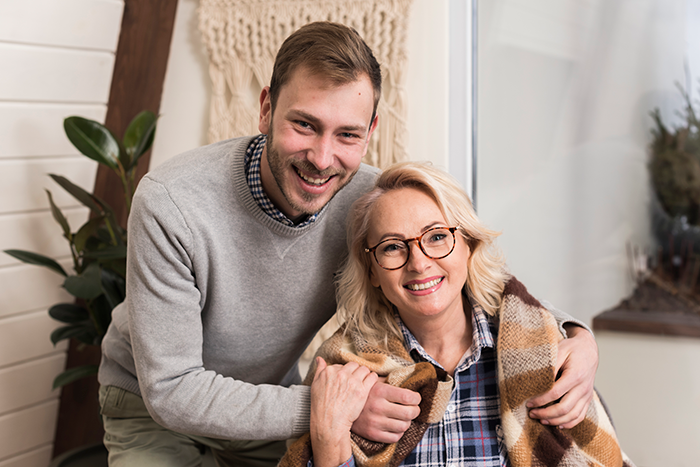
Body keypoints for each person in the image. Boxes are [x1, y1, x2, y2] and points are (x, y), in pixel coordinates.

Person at [97, 21, 599, 467]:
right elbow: (171, 389)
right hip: (150, 408)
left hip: (267, 397)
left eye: (347, 135)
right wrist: (332, 406)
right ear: (266, 109)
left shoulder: (368, 201)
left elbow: (466, 274)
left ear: (371, 132)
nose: (322, 157)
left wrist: (574, 335)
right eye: (304, 124)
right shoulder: (172, 202)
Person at [283, 162, 633, 467]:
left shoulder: (542, 351)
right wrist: (330, 436)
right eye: (392, 246)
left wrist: (583, 337)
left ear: (468, 244)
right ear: (372, 270)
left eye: (437, 237)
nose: (419, 263)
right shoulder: (342, 371)